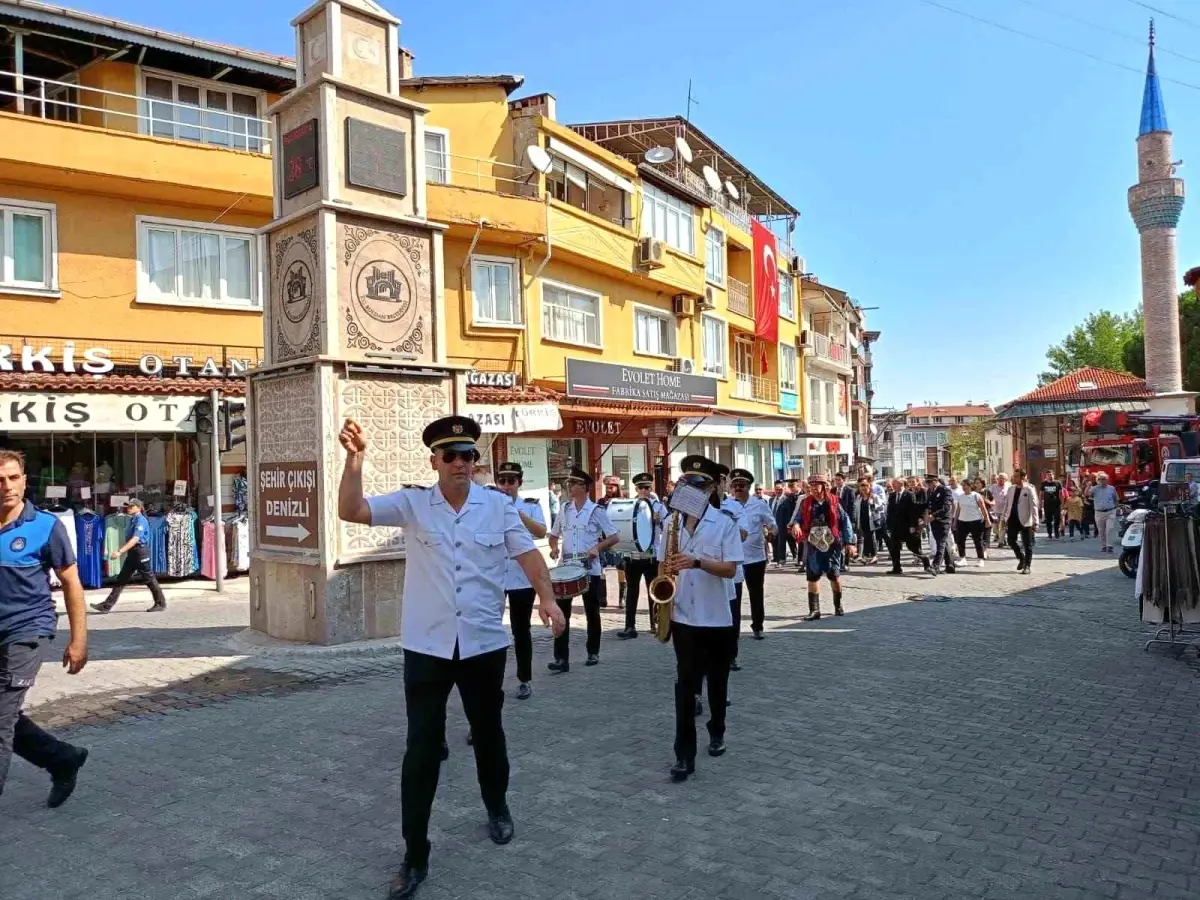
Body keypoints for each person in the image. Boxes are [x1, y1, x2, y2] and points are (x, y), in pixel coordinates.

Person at [336, 416, 565, 900]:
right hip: (427, 647)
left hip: (482, 644)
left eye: (469, 455)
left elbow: (528, 557)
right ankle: (414, 855)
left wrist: (547, 598)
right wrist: (354, 460)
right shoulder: (415, 504)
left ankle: (497, 806)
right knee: (421, 749)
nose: (462, 463)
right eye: (451, 455)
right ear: (434, 462)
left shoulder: (498, 507)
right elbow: (352, 510)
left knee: (488, 734)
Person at [0, 449, 90, 810]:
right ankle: (61, 758)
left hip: (27, 630)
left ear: (24, 479)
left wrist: (79, 639)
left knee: (0, 721)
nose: (6, 486)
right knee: (4, 714)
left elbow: (71, 583)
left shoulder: (45, 526)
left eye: (12, 477)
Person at [659, 455, 742, 782]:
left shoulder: (724, 524)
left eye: (697, 485)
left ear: (709, 489)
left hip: (716, 617)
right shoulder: (671, 524)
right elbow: (663, 561)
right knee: (685, 686)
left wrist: (696, 562)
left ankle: (717, 729)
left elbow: (731, 569)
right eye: (685, 484)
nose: (689, 489)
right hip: (684, 616)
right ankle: (684, 754)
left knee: (718, 684)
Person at [547, 468, 618, 670]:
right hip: (567, 568)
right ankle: (561, 658)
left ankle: (593, 652)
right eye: (569, 483)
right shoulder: (564, 509)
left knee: (592, 612)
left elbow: (614, 536)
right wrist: (554, 548)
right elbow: (553, 536)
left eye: (573, 483)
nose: (569, 486)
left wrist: (597, 548)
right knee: (561, 614)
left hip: (589, 569)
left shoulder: (596, 511)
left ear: (585, 488)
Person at [494, 462, 547, 701]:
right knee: (491, 630)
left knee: (521, 630)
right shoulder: (489, 505)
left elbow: (541, 532)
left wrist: (519, 515)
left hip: (521, 578)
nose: (506, 486)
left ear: (519, 483)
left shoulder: (530, 506)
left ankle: (524, 679)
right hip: (494, 576)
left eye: (511, 481)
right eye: (502, 481)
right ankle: (490, 682)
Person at [791, 473, 856, 619]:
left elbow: (845, 521)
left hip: (832, 544)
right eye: (811, 486)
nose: (813, 489)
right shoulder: (806, 503)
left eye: (816, 486)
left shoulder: (834, 502)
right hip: (813, 544)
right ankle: (814, 610)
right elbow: (797, 519)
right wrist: (796, 525)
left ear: (824, 486)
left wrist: (850, 542)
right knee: (812, 577)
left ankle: (838, 606)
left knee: (834, 575)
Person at [89, 497, 168, 613]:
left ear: (139, 508)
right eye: (128, 506)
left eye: (131, 506)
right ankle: (107, 605)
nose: (128, 508)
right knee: (121, 579)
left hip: (140, 553)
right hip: (133, 553)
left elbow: (135, 539)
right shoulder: (133, 520)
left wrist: (120, 552)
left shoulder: (141, 520)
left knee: (149, 579)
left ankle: (160, 603)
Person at [728, 469, 776, 645]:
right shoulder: (728, 505)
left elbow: (772, 524)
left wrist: (772, 532)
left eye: (742, 485)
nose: (738, 488)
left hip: (755, 557)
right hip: (734, 558)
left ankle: (757, 626)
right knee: (735, 596)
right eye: (735, 485)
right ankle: (734, 631)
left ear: (748, 487)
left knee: (756, 593)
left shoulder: (759, 504)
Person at [619, 473, 667, 640]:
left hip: (651, 556)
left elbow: (668, 527)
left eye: (647, 487)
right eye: (641, 488)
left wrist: (659, 520)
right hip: (633, 555)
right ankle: (629, 627)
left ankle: (655, 624)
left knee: (652, 591)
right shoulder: (630, 505)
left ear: (651, 488)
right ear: (636, 489)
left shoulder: (659, 507)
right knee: (631, 591)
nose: (644, 491)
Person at [1000, 468, 1040, 574]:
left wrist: (1035, 522)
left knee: (1027, 544)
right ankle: (1021, 557)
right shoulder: (1011, 489)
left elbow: (1034, 506)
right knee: (1011, 540)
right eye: (1014, 475)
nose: (1014, 478)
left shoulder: (1029, 489)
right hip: (1013, 518)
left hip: (1026, 519)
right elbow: (1006, 504)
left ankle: (1027, 566)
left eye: (1016, 476)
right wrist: (1003, 519)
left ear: (1022, 477)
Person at [923, 474, 957, 576]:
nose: (928, 484)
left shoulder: (945, 490)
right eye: (927, 482)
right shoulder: (930, 491)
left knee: (941, 544)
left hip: (943, 521)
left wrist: (933, 515)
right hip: (933, 521)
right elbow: (928, 505)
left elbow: (946, 508)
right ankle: (950, 565)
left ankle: (935, 566)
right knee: (941, 542)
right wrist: (926, 515)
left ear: (935, 481)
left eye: (930, 482)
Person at [952, 479, 989, 566]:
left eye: (965, 485)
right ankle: (962, 558)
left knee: (977, 541)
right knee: (960, 540)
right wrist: (955, 521)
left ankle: (980, 559)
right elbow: (958, 510)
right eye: (962, 485)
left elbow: (983, 508)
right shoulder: (960, 497)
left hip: (975, 521)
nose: (963, 487)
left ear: (970, 486)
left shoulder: (976, 495)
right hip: (962, 521)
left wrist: (987, 520)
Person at [851, 476, 883, 564]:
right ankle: (867, 555)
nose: (864, 489)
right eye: (862, 487)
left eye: (866, 487)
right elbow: (856, 509)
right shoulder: (858, 497)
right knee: (865, 538)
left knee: (871, 538)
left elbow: (881, 508)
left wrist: (874, 506)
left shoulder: (874, 497)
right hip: (862, 520)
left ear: (869, 487)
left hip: (871, 520)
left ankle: (874, 556)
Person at [771, 480, 799, 566]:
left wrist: (790, 525)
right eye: (776, 489)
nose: (778, 491)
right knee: (776, 542)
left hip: (784, 524)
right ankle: (778, 558)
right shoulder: (772, 500)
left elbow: (790, 512)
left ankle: (782, 560)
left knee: (783, 542)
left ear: (783, 488)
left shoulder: (787, 499)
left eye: (780, 489)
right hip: (774, 524)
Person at [1091, 472, 1120, 553]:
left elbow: (1116, 499)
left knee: (1109, 529)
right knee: (1101, 530)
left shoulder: (1111, 488)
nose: (1102, 481)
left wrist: (1117, 508)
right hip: (1099, 512)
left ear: (1107, 480)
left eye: (1104, 479)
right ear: (1097, 480)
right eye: (1100, 479)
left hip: (1110, 511)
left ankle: (1109, 545)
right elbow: (1087, 494)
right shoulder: (1095, 489)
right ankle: (1103, 545)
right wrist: (1087, 486)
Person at [1040, 471, 1064, 541]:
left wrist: (1062, 504)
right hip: (1047, 505)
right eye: (1047, 475)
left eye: (1050, 474)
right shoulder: (1044, 483)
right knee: (1048, 520)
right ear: (1046, 476)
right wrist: (1040, 504)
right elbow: (1041, 494)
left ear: (1053, 475)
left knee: (1057, 519)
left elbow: (1061, 494)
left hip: (1056, 504)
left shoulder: (1058, 483)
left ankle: (1056, 533)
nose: (1049, 476)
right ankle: (1049, 534)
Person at [989, 474, 1010, 548]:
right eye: (999, 478)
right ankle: (1001, 536)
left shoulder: (1008, 487)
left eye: (1003, 478)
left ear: (1005, 480)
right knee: (994, 528)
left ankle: (1000, 541)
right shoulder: (993, 487)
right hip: (994, 510)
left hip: (1004, 511)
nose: (1001, 480)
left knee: (1002, 527)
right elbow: (988, 496)